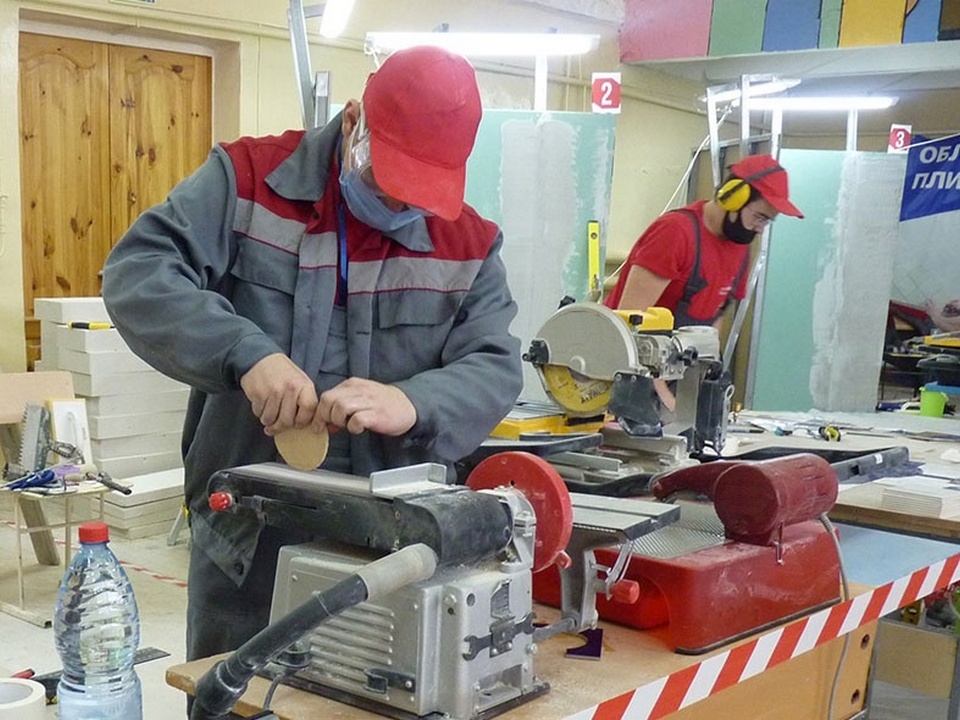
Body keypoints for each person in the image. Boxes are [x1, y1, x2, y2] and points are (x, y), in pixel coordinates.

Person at [101, 46, 523, 663]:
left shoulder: (468, 243)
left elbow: (495, 363)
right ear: (353, 122)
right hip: (247, 535)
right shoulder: (246, 182)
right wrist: (245, 352)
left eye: (417, 195)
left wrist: (414, 402)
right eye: (388, 182)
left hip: (393, 545)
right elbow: (139, 273)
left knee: (373, 693)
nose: (399, 208)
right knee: (234, 691)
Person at [604, 154, 804, 329]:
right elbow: (629, 320)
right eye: (759, 217)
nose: (760, 229)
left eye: (767, 221)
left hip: (684, 356)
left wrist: (709, 357)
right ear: (733, 198)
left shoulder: (740, 245)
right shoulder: (675, 232)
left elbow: (716, 318)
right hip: (631, 354)